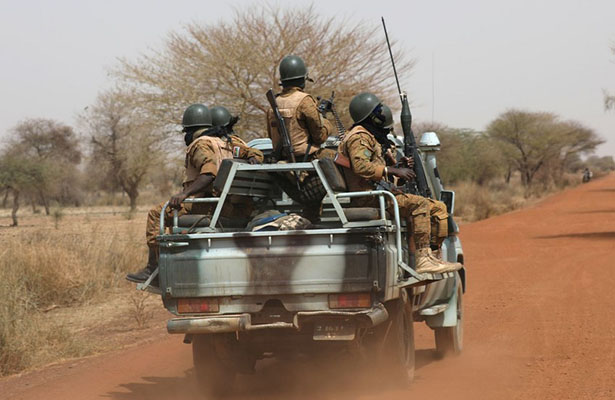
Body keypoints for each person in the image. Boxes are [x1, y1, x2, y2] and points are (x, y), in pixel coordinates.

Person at [126, 104, 264, 284]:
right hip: (228, 204)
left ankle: (154, 269)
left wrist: (184, 194)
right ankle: (164, 265)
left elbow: (209, 173)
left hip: (207, 204)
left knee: (155, 214)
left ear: (191, 130)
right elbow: (253, 152)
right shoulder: (228, 143)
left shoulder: (201, 144)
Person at [339, 93, 461, 273]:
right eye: (378, 111)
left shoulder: (369, 136)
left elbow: (375, 168)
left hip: (379, 194)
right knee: (419, 204)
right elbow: (361, 167)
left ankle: (433, 257)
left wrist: (397, 166)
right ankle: (423, 260)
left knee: (438, 208)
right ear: (370, 116)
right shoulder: (359, 137)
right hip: (369, 198)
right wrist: (393, 170)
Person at [266, 55, 335, 162]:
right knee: (339, 159)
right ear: (302, 79)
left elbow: (271, 136)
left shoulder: (273, 103)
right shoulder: (305, 101)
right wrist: (326, 123)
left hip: (280, 157)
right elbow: (319, 137)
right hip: (305, 158)